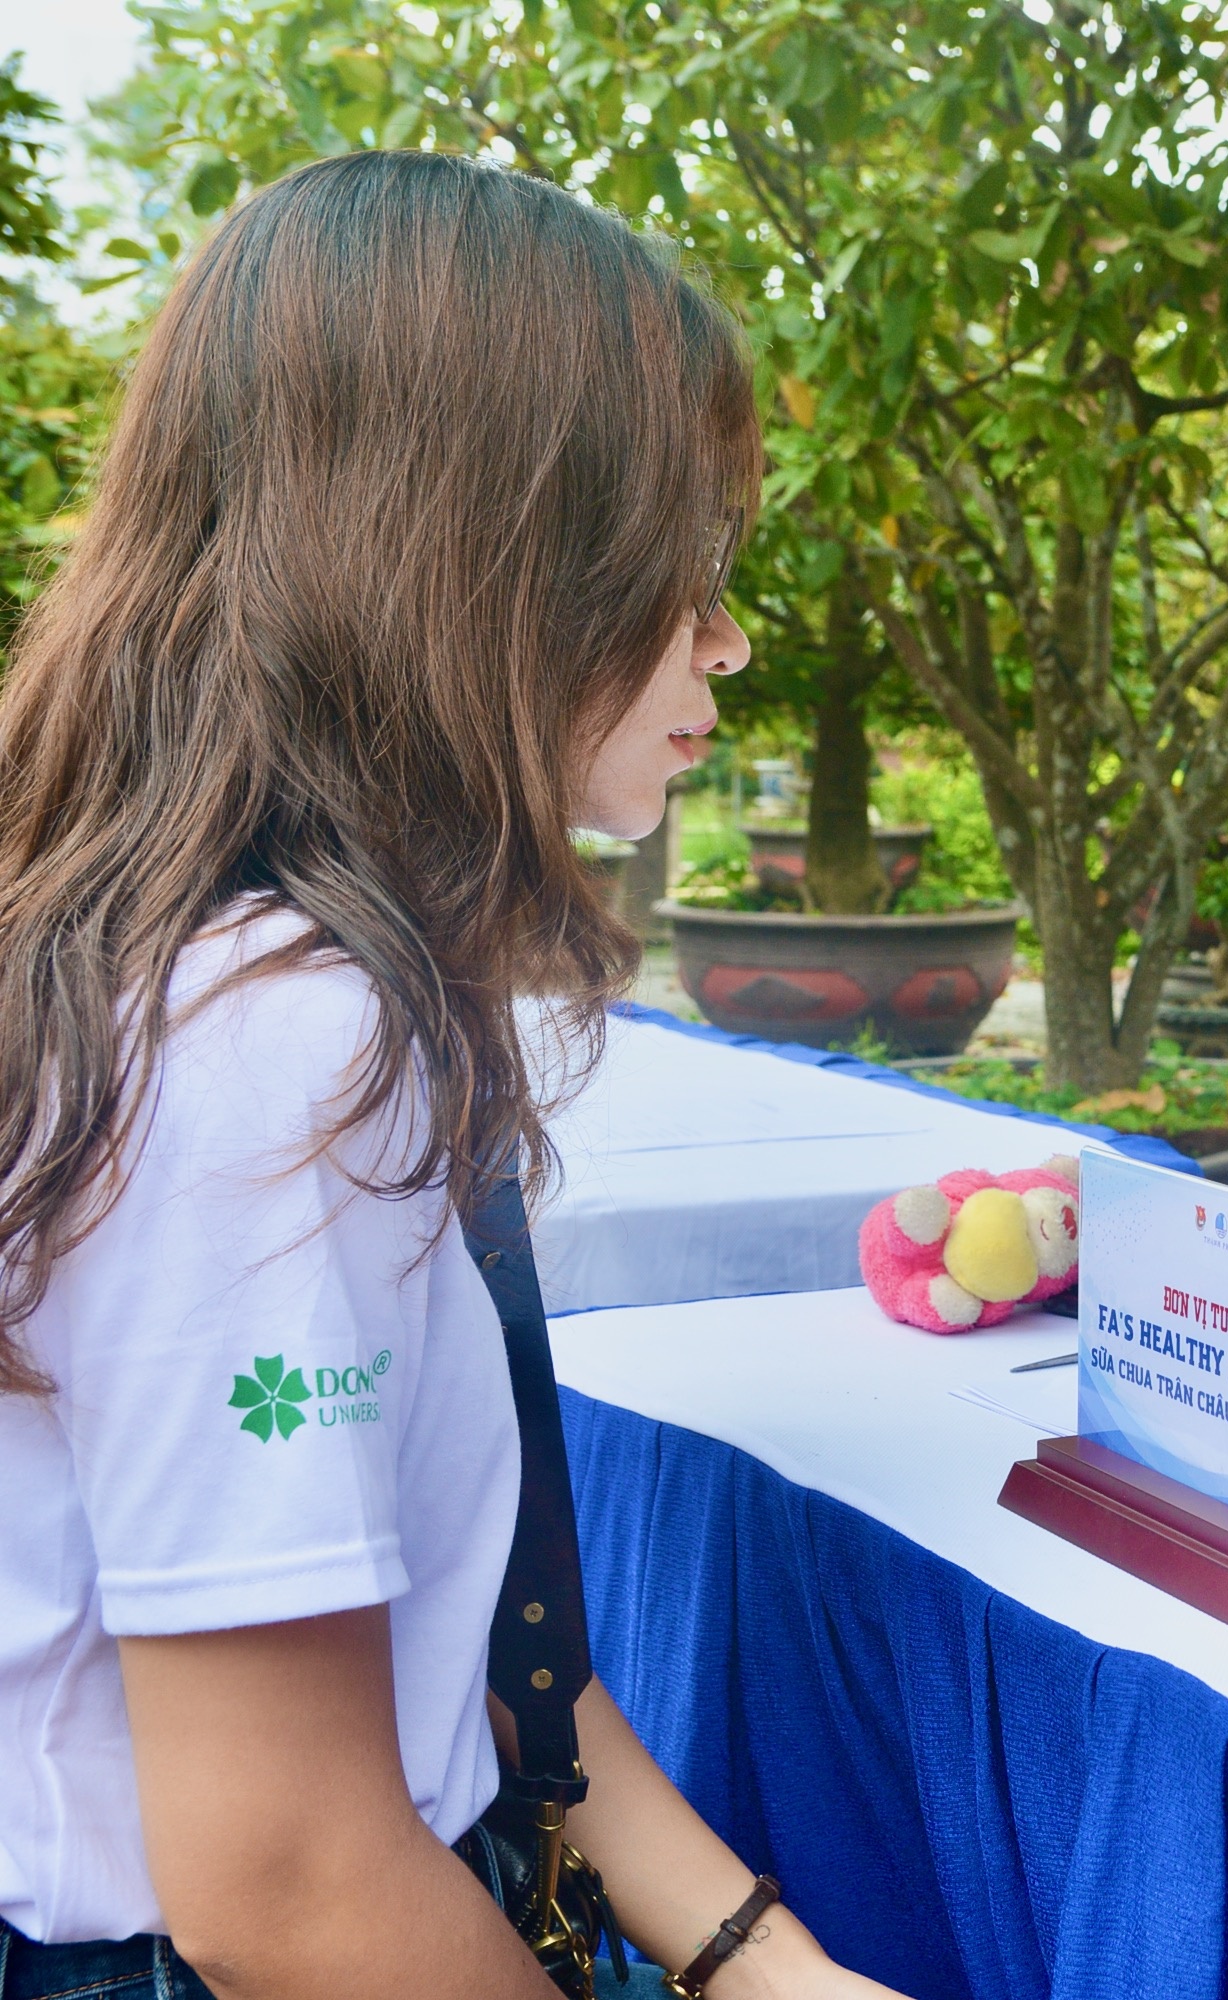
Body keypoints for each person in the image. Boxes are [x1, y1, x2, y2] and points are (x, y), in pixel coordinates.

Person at [0, 155, 907, 1996]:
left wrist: (762, 1967)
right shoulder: (272, 1046)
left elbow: (487, 1634)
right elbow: (291, 1885)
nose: (725, 636)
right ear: (484, 562)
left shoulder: (281, 971)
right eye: (681, 565)